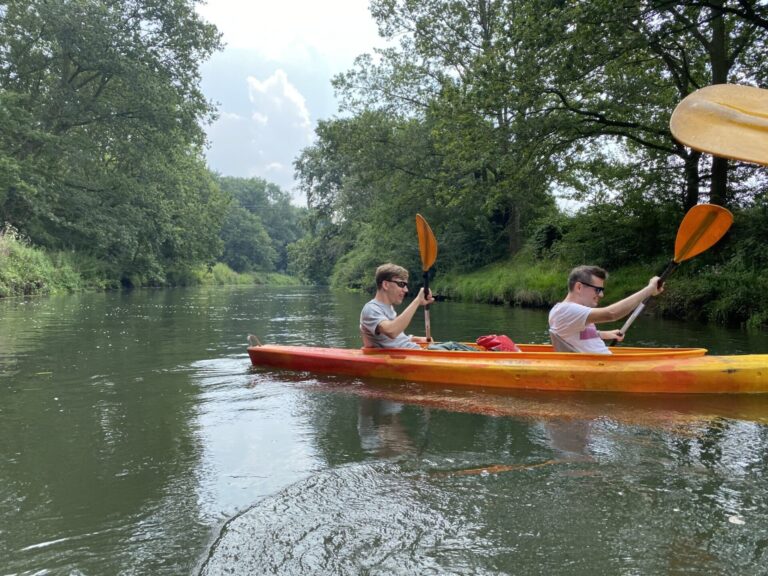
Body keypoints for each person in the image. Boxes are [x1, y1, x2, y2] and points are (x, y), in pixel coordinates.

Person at [548, 265, 664, 354]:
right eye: (597, 290)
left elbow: (577, 334)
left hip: (604, 365)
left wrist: (602, 334)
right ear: (579, 287)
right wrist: (649, 289)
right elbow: (611, 314)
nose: (601, 295)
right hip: (600, 368)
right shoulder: (566, 310)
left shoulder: (566, 311)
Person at [360, 263, 434, 349]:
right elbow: (392, 331)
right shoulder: (371, 309)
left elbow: (395, 339)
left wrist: (413, 339)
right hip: (410, 354)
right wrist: (417, 301)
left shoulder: (389, 308)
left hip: (415, 350)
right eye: (401, 284)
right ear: (385, 285)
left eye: (406, 285)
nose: (406, 290)